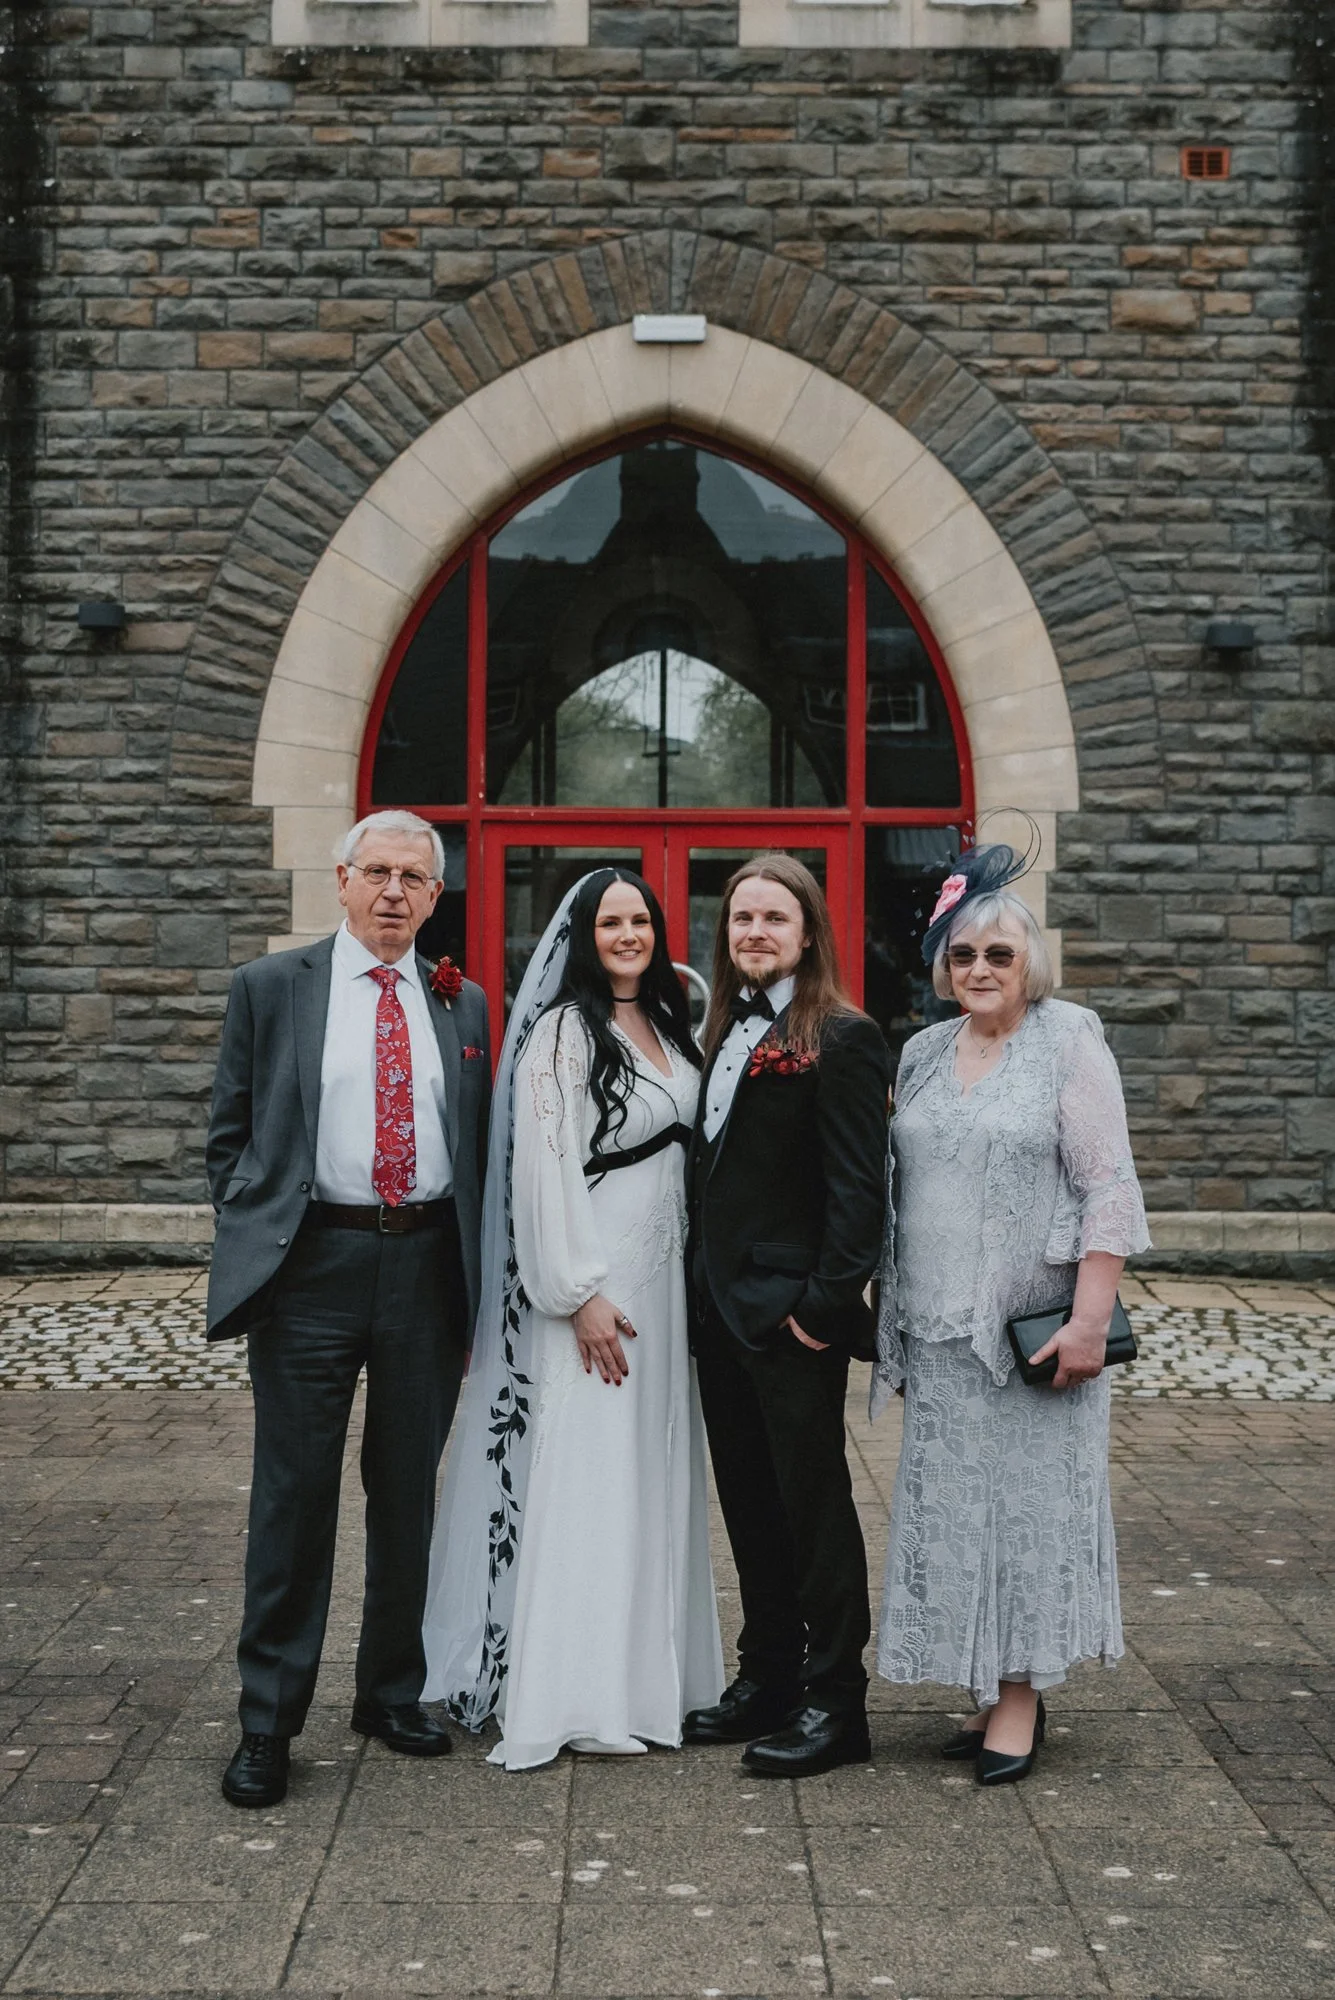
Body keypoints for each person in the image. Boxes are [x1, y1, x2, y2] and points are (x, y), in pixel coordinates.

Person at [205, 808, 490, 1808]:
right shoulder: (272, 990)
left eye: (414, 877)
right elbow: (230, 1136)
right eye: (377, 871)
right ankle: (268, 1720)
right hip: (311, 1267)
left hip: (424, 1270)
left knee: (408, 1492)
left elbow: (482, 1147)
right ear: (341, 877)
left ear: (435, 894)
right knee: (294, 1498)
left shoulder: (466, 1006)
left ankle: (390, 1691)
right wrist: (259, 1238)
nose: (394, 893)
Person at [422, 869, 723, 1768]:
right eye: (610, 921)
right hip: (600, 1286)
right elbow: (541, 1170)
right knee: (590, 1473)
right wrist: (575, 1292)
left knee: (651, 1470)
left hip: (666, 1286)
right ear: (584, 936)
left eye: (640, 920)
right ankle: (571, 1692)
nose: (627, 934)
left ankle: (647, 1680)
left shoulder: (669, 1024)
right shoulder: (561, 1033)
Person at [874, 844, 1150, 1785]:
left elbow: (1107, 1182)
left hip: (1034, 1332)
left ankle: (1020, 1700)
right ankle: (986, 1687)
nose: (980, 971)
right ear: (941, 969)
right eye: (962, 957)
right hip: (940, 1331)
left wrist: (1087, 1318)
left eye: (997, 955)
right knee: (957, 1513)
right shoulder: (919, 1052)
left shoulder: (1068, 1037)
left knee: (1028, 1514)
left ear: (1028, 963)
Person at [683, 853, 891, 1778]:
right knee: (749, 1503)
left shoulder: (841, 1036)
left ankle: (836, 1703)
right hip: (717, 1315)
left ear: (807, 933)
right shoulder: (719, 1030)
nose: (755, 933)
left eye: (773, 918)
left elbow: (859, 1193)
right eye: (740, 920)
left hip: (789, 1319)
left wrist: (822, 1311)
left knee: (812, 1510)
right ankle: (764, 1675)